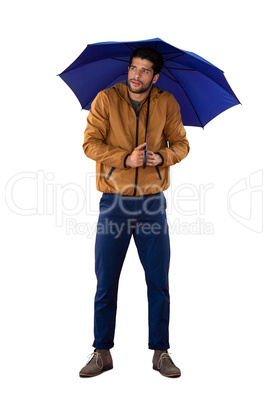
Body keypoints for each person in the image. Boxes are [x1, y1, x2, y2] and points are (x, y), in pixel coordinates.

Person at [79, 47, 190, 378]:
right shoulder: (106, 100)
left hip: (153, 204)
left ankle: (161, 352)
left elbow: (182, 144)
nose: (136, 75)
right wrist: (125, 159)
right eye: (133, 68)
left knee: (158, 282)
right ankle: (102, 352)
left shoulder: (167, 102)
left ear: (155, 77)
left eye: (144, 70)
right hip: (114, 202)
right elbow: (90, 143)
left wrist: (163, 157)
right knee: (106, 282)